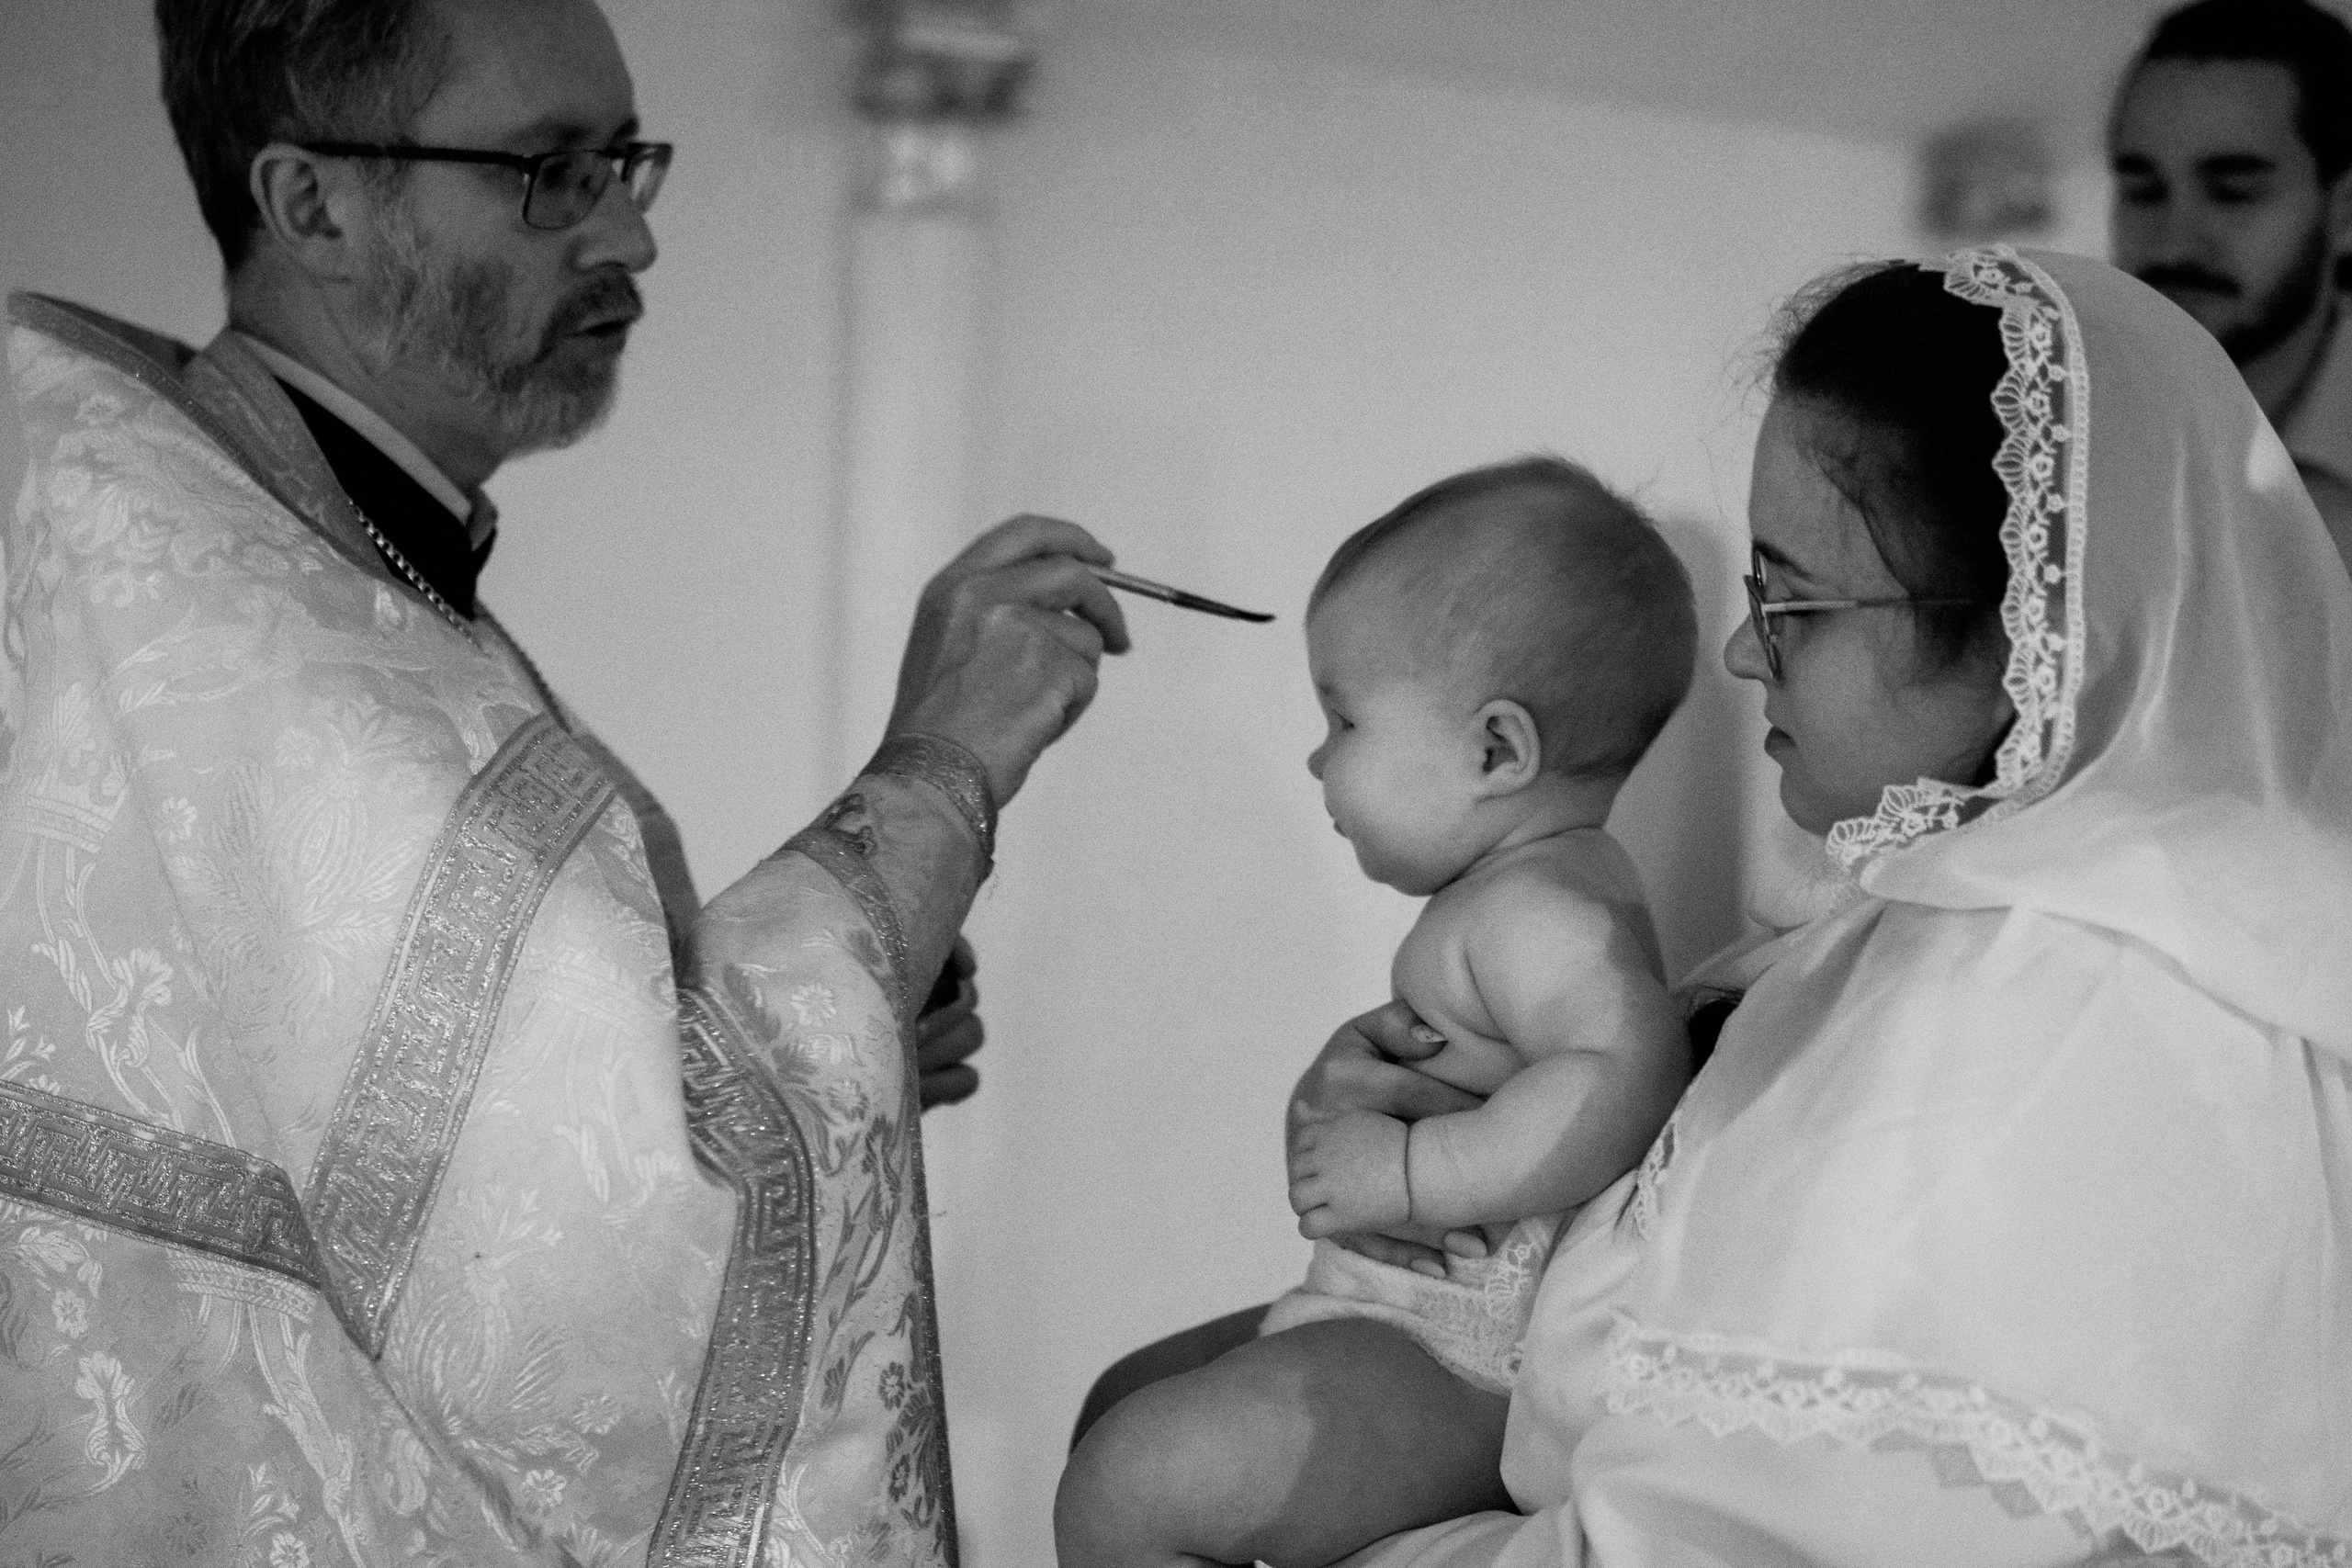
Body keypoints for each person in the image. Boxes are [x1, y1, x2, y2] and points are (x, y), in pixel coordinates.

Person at [0, 0, 1131, 1562]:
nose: (631, 237)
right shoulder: (240, 636)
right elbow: (596, 1278)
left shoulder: (297, 548)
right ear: (311, 203)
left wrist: (847, 1010)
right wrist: (943, 764)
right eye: (548, 172)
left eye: (623, 162)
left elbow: (488, 1133)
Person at [1085, 246, 2352, 1561]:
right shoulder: (1913, 906)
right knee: (1126, 1411)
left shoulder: (2062, 1003)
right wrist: (1415, 1107)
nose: (1744, 649)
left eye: (1790, 597)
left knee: (1138, 1475)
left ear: (2020, 635)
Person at [1056, 460, 1697, 1568]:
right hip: (1387, 1315)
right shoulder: (1511, 895)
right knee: (1120, 1398)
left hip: (1462, 1356)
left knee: (1134, 1479)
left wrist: (1409, 1173)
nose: (1316, 756)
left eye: (1342, 717)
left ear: (1495, 751)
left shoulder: (1540, 909)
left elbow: (1627, 1068)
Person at [2110, 0, 2352, 569]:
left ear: (2345, 208)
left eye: (2233, 192)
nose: (2172, 244)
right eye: (2143, 192)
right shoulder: (2046, 423)